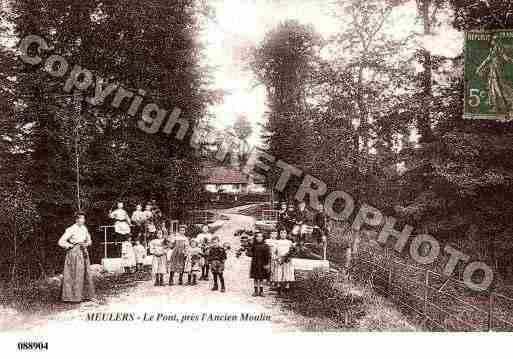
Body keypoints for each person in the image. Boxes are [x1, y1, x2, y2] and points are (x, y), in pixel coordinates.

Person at [58, 211, 96, 302]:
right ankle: (71, 297)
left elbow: (89, 240)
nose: (82, 220)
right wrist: (70, 246)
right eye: (80, 218)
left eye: (83, 218)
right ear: (76, 219)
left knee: (84, 273)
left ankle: (84, 295)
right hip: (74, 253)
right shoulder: (71, 229)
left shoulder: (84, 228)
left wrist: (86, 244)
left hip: (83, 252)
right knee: (75, 273)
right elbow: (61, 241)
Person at [247, 232, 271, 297]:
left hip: (262, 263)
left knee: (261, 278)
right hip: (255, 263)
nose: (259, 238)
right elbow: (249, 253)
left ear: (263, 238)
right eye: (258, 236)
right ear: (256, 237)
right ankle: (255, 291)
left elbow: (268, 256)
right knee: (255, 277)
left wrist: (267, 264)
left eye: (261, 236)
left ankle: (261, 291)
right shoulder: (253, 245)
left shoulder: (265, 246)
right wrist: (248, 247)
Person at [273, 228, 295, 296]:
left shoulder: (289, 242)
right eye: (281, 233)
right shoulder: (277, 242)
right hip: (279, 259)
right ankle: (279, 287)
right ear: (279, 234)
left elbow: (292, 251)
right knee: (279, 272)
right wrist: (276, 258)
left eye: (284, 233)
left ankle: (287, 287)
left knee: (287, 272)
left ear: (286, 234)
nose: (283, 234)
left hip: (287, 260)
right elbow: (274, 252)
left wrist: (289, 257)